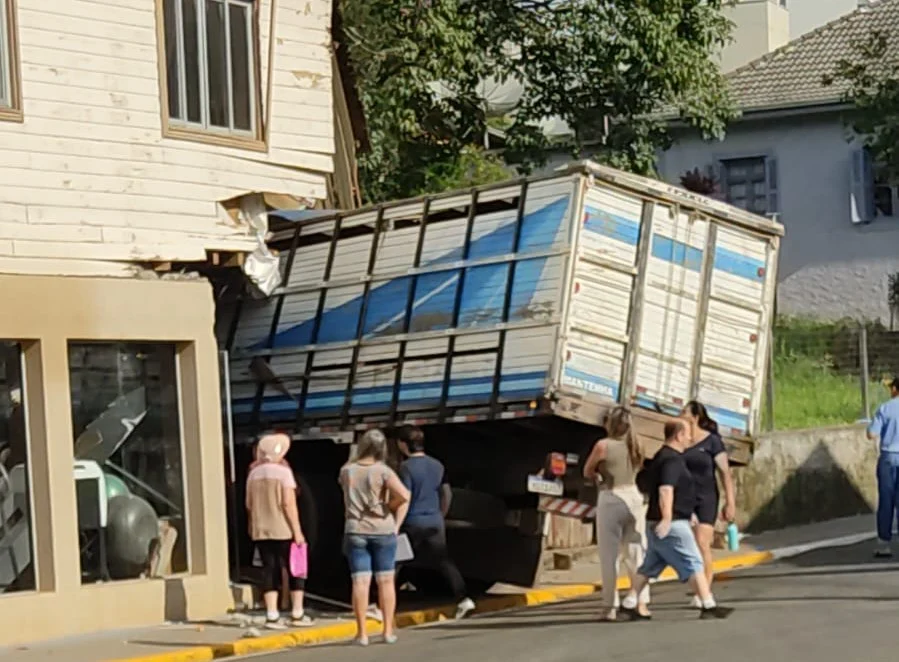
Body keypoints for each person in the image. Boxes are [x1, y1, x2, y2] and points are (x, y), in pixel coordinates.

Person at [624, 420, 733, 621]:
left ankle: (629, 603)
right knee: (694, 562)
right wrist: (667, 518)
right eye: (688, 434)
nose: (691, 439)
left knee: (649, 566)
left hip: (661, 520)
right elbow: (666, 489)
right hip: (672, 523)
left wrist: (686, 513)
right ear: (679, 435)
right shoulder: (672, 460)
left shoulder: (661, 456)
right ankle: (708, 605)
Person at [396, 425, 476, 620]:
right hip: (435, 521)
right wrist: (441, 514)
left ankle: (382, 604)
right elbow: (446, 493)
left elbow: (403, 496)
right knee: (444, 561)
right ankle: (464, 598)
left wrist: (396, 522)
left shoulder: (405, 468)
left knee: (395, 562)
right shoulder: (437, 465)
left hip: (412, 521)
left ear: (404, 445)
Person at [339, 429, 410, 646]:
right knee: (386, 581)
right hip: (382, 529)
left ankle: (361, 634)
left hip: (355, 529)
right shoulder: (384, 471)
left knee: (360, 582)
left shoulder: (347, 471)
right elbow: (405, 495)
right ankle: (387, 630)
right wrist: (393, 516)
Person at [582, 407, 650, 621]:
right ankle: (641, 603)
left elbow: (587, 470)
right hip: (634, 496)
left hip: (611, 497)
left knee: (609, 555)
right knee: (636, 553)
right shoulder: (637, 445)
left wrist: (597, 476)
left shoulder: (603, 446)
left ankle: (610, 606)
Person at [245, 432, 314, 629]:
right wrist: (298, 531)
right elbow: (288, 504)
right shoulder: (284, 473)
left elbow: (249, 505)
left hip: (261, 529)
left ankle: (272, 614)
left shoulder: (253, 474)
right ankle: (297, 612)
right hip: (283, 528)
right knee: (295, 569)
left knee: (269, 569)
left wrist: (252, 525)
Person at [681, 400, 736, 607]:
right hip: (684, 499)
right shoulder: (681, 440)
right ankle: (698, 586)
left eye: (684, 412)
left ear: (695, 418)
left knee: (702, 544)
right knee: (689, 545)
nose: (680, 414)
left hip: (706, 499)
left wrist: (730, 502)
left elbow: (725, 474)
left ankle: (703, 593)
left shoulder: (712, 442)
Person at [867, 377, 899, 558]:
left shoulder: (885, 408)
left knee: (886, 501)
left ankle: (884, 544)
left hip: (888, 458)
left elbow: (872, 434)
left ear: (895, 389)